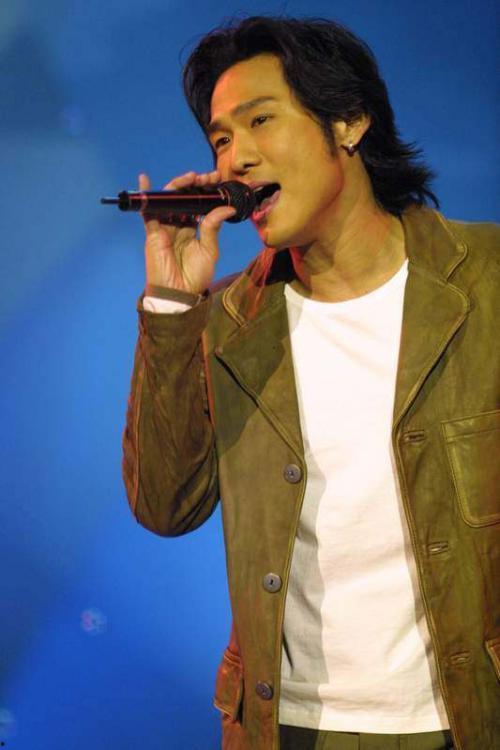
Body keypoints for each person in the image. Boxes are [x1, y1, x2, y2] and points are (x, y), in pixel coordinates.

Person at [122, 16, 499, 750]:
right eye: (221, 138)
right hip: (286, 728)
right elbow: (165, 507)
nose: (236, 157)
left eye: (260, 120)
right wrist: (170, 303)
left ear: (349, 122)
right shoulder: (227, 320)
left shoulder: (485, 282)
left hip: (464, 719)